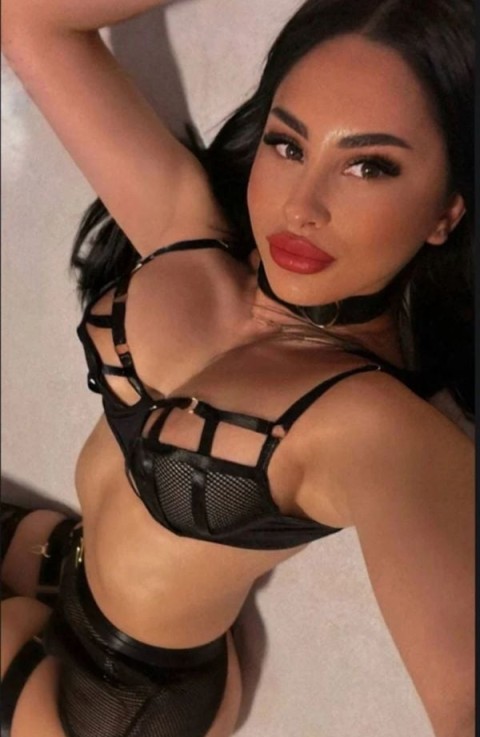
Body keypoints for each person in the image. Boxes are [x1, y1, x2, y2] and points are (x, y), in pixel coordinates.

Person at [1, 0, 474, 736]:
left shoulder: (379, 430)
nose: (301, 207)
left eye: (368, 166)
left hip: (119, 707)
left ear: (447, 211)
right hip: (68, 560)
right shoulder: (187, 232)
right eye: (288, 145)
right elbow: (30, 21)